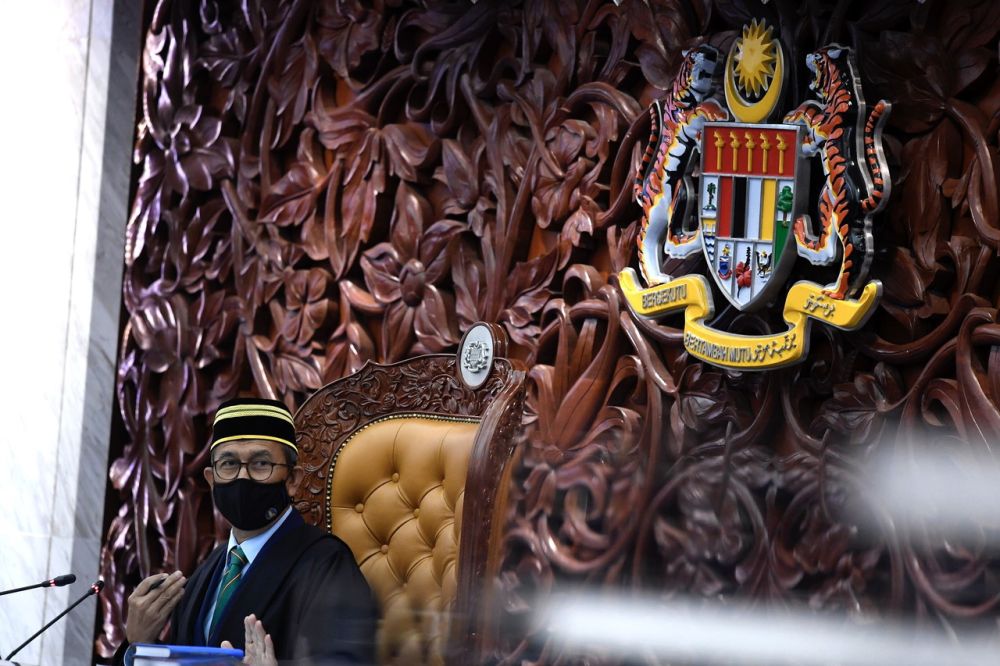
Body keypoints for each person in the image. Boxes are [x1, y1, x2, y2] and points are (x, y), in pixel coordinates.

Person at [113, 397, 377, 665]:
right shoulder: (205, 572)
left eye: (261, 464)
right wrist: (138, 644)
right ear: (211, 480)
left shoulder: (326, 563)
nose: (242, 477)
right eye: (228, 464)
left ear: (292, 480)